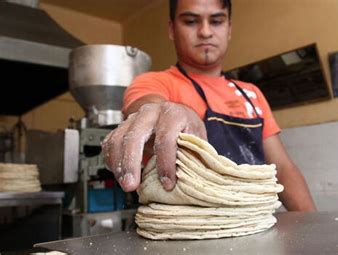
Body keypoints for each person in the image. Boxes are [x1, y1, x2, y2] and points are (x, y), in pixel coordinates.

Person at [102, 0, 316, 212]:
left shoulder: (252, 94)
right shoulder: (154, 82)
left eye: (216, 21)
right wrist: (163, 112)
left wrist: (311, 226)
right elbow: (147, 107)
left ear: (229, 29)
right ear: (172, 29)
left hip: (254, 221)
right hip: (184, 234)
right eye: (191, 21)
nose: (205, 32)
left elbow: (283, 168)